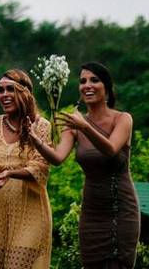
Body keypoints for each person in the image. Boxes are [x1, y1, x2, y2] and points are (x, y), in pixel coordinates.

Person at [28, 62, 139, 269]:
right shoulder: (75, 124)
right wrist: (36, 140)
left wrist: (85, 127)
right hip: (91, 213)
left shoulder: (123, 119)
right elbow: (57, 158)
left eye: (94, 80)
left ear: (106, 87)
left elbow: (111, 149)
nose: (87, 85)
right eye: (82, 81)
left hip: (120, 210)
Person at [0, 69, 51, 269]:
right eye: (0, 90)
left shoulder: (41, 126)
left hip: (30, 210)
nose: (4, 95)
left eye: (10, 89)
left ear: (25, 93)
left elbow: (40, 167)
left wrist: (10, 173)